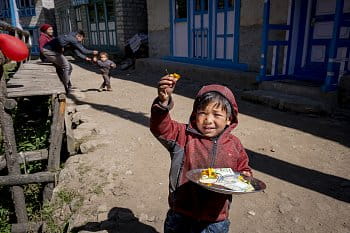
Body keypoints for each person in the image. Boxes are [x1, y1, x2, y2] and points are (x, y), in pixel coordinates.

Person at [150, 75, 252, 233]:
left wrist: (245, 175)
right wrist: (163, 103)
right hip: (181, 213)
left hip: (215, 218)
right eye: (202, 113)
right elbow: (160, 128)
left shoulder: (234, 144)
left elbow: (242, 167)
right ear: (195, 114)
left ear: (229, 119)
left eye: (217, 115)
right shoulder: (182, 135)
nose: (208, 120)